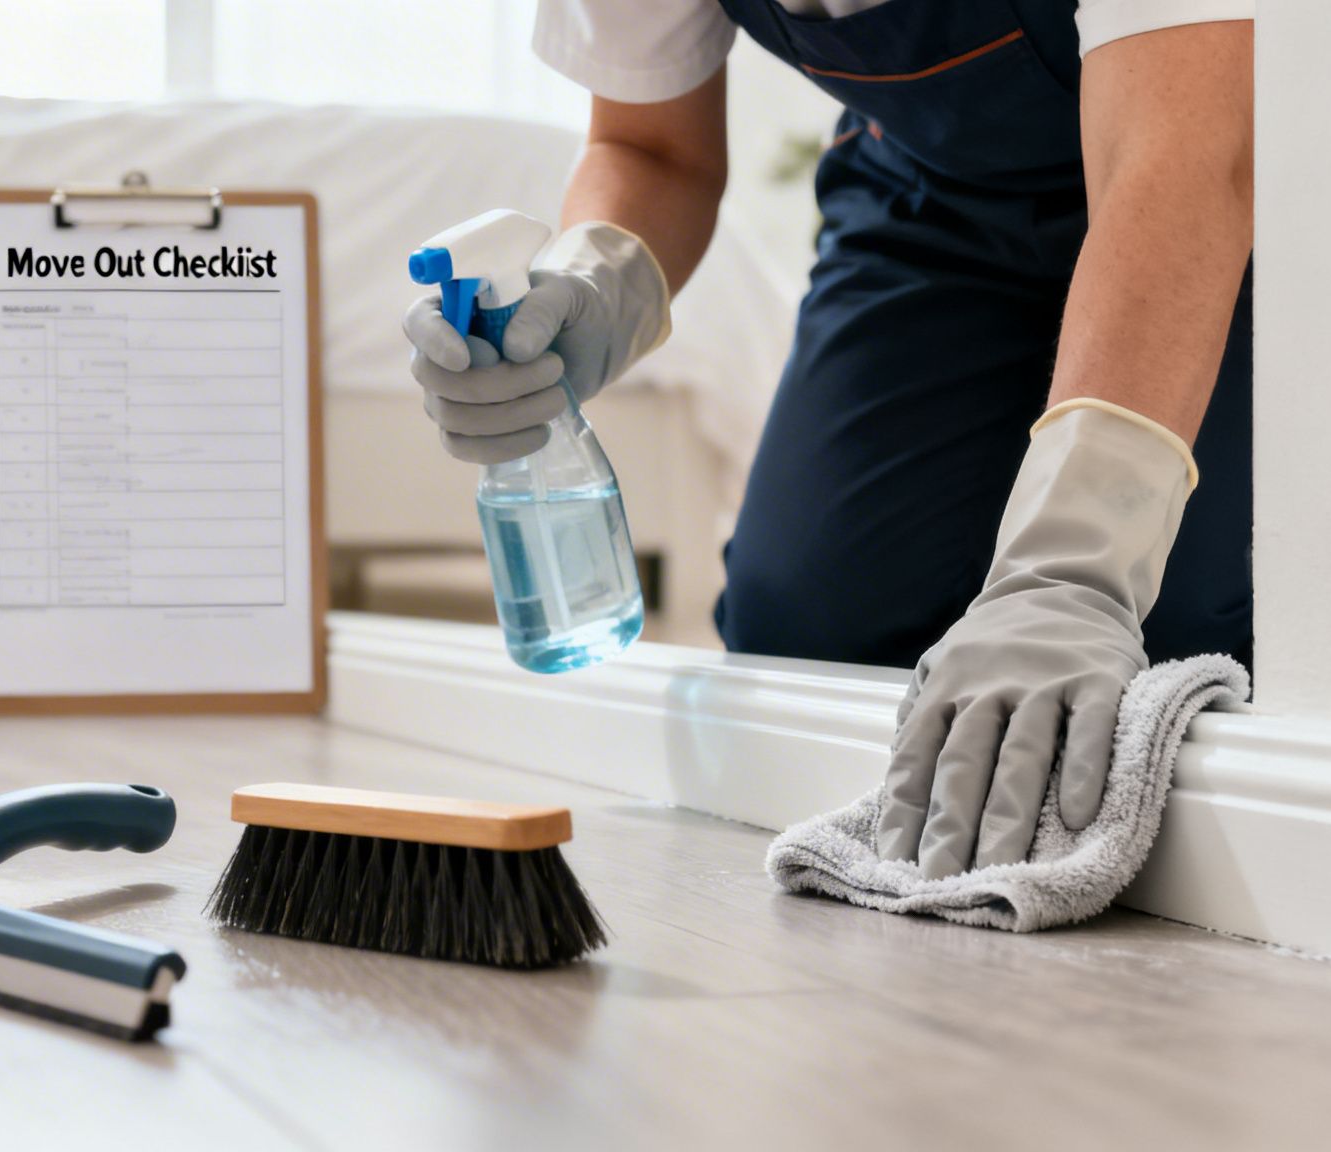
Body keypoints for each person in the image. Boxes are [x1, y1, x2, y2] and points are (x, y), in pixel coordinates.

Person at [403, 0, 1254, 879]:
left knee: (1182, 623)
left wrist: (1072, 571)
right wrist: (596, 282)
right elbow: (650, 147)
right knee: (806, 631)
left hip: (1208, 158)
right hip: (934, 198)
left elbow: (1184, 157)